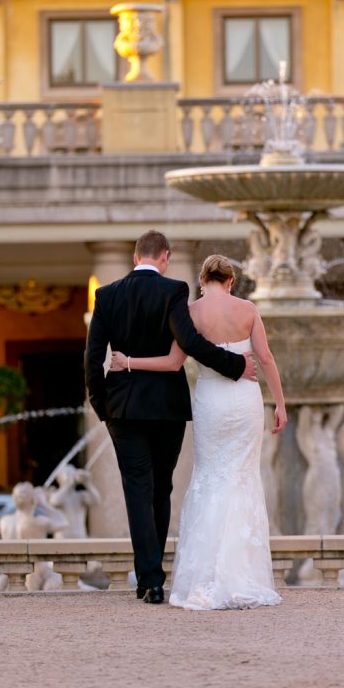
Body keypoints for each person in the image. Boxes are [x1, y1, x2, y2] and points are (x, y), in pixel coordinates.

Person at [85, 230, 256, 605]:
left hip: (123, 408)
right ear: (165, 257)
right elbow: (191, 343)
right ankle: (154, 576)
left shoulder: (107, 295)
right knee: (161, 488)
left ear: (135, 257)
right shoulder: (173, 290)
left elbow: (93, 355)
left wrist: (102, 407)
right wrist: (236, 365)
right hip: (167, 408)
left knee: (137, 490)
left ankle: (150, 579)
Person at [110, 253, 287, 611]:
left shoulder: (190, 313)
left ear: (203, 280)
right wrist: (281, 404)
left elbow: (174, 363)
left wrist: (128, 362)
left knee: (210, 477)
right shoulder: (248, 309)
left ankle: (204, 576)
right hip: (245, 401)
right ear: (231, 280)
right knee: (242, 479)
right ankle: (242, 574)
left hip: (210, 403)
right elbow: (265, 359)